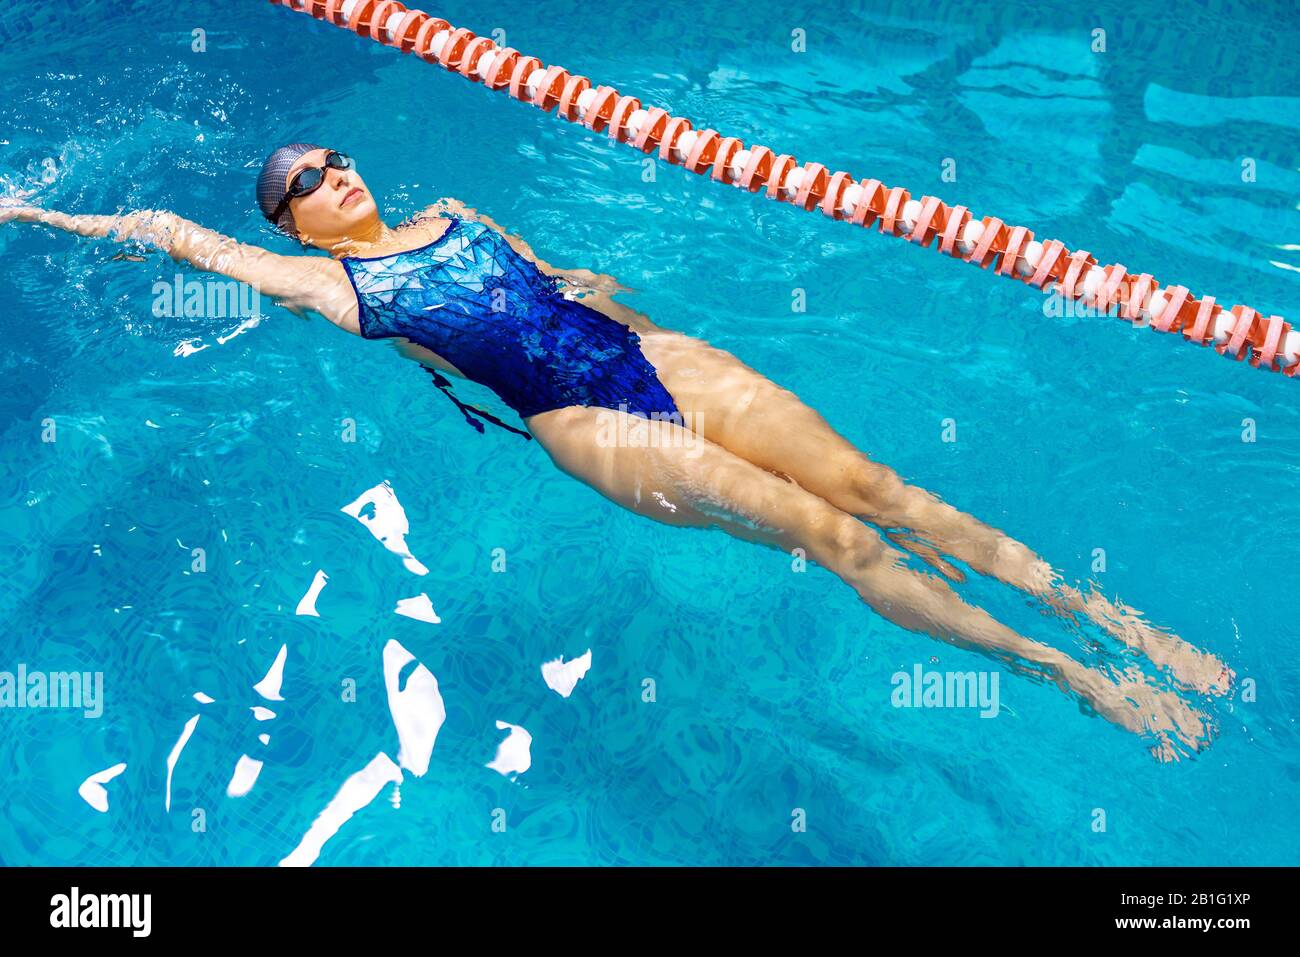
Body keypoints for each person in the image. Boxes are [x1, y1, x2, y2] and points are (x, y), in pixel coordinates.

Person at [1, 143, 1231, 758]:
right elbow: (172, 233)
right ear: (287, 223)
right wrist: (39, 208)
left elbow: (559, 281)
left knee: (879, 485)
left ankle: (1099, 612)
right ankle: (1065, 672)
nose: (330, 177)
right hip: (585, 423)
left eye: (329, 160)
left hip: (650, 354)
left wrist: (632, 304)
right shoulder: (325, 288)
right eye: (302, 185)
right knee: (832, 532)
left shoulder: (457, 212)